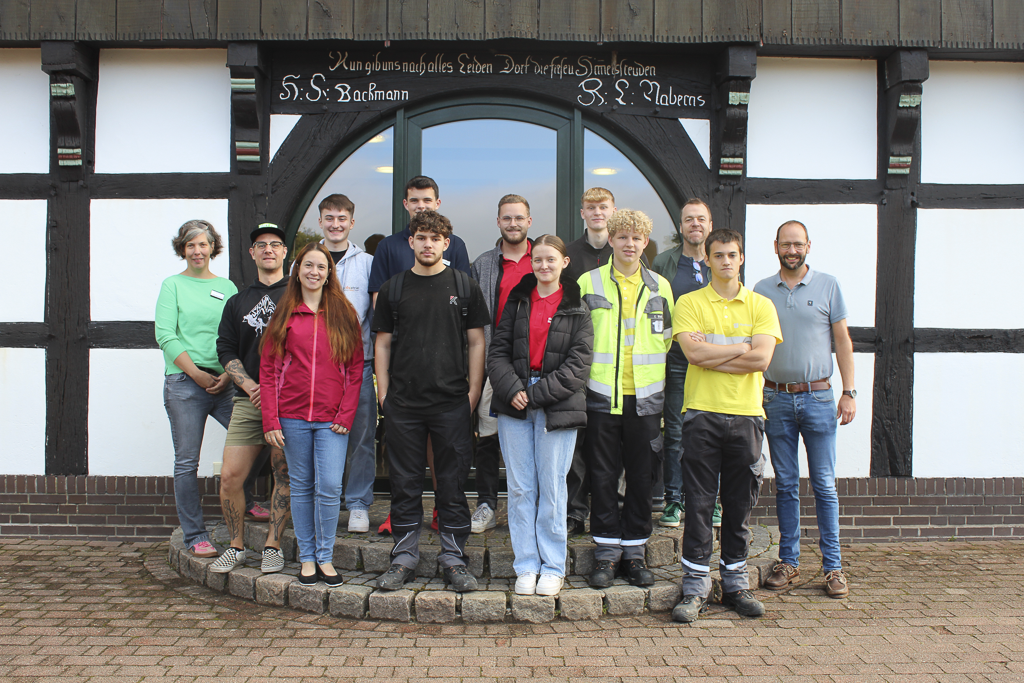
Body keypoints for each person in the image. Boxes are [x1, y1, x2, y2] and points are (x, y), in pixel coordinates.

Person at [371, 210, 490, 593]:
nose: (427, 244)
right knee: (404, 482)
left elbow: (476, 342)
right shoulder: (393, 288)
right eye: (421, 237)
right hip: (403, 403)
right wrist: (384, 393)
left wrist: (473, 393)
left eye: (435, 238)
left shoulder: (464, 285)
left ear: (446, 243)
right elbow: (383, 343)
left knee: (452, 484)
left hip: (451, 401)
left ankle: (453, 560)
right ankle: (404, 558)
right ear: (411, 242)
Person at [671, 228, 782, 623]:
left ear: (741, 259)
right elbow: (693, 354)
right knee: (699, 505)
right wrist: (740, 346)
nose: (725, 261)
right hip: (701, 412)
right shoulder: (689, 302)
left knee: (738, 505)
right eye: (717, 256)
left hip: (748, 415)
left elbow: (762, 361)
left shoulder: (760, 305)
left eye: (731, 255)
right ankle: (695, 588)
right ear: (708, 260)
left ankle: (735, 584)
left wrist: (714, 355)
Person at [753, 220, 855, 599]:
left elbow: (842, 341)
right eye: (786, 244)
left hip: (819, 398)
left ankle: (833, 568)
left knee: (825, 485)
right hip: (775, 398)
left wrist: (851, 392)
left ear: (808, 245)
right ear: (775, 246)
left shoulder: (828, 286)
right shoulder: (761, 290)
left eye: (798, 244)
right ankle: (789, 561)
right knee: (787, 485)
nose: (792, 250)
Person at [488, 234, 593, 596]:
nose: (543, 266)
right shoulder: (517, 301)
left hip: (555, 406)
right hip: (514, 401)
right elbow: (497, 351)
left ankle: (552, 566)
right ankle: (526, 565)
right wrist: (511, 388)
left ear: (564, 263)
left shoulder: (578, 307)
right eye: (538, 260)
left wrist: (532, 394)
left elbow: (577, 368)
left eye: (551, 259)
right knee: (520, 489)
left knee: (551, 488)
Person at [368, 176, 471, 534]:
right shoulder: (389, 254)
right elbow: (382, 325)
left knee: (446, 460)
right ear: (405, 205)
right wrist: (384, 391)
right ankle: (402, 522)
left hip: (446, 380)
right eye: (415, 200)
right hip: (404, 377)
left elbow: (468, 329)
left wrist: (471, 390)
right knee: (405, 463)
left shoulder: (456, 257)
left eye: (428, 199)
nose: (422, 205)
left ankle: (445, 512)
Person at [577, 209, 673, 589]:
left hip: (646, 399)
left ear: (645, 242)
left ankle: (634, 551)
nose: (629, 243)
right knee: (601, 476)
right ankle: (605, 552)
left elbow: (665, 339)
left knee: (641, 476)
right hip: (601, 396)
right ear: (611, 240)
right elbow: (578, 338)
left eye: (636, 238)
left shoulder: (660, 286)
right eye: (622, 237)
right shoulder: (589, 281)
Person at [260, 243, 364, 587]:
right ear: (298, 270)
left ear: (329, 273)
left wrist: (347, 413)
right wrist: (271, 420)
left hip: (332, 418)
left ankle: (326, 556)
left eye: (322, 267)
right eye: (308, 266)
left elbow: (354, 370)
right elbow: (270, 369)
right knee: (302, 487)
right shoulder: (285, 313)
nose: (315, 272)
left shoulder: (344, 313)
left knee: (331, 486)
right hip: (292, 416)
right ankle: (307, 558)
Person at [209, 224, 292, 575]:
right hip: (249, 401)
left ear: (285, 252)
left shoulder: (299, 295)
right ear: (252, 253)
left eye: (275, 244)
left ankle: (273, 545)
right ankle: (236, 546)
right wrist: (248, 385)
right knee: (230, 477)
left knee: (283, 475)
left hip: (289, 402)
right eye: (261, 245)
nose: (268, 250)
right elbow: (225, 348)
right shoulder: (237, 301)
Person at [155, 220, 237, 558]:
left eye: (203, 244)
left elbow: (236, 336)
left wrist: (229, 377)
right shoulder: (172, 285)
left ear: (213, 247)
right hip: (185, 384)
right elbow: (165, 335)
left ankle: (244, 502)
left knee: (260, 437)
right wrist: (197, 374)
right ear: (182, 249)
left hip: (225, 382)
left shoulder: (227, 287)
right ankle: (195, 535)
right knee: (187, 462)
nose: (198, 251)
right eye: (191, 245)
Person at [468, 194, 535, 533]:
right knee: (489, 437)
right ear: (498, 222)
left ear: (529, 222)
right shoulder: (482, 264)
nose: (513, 223)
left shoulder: (543, 259)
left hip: (536, 365)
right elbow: (472, 321)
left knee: (533, 436)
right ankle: (486, 505)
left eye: (518, 218)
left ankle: (530, 507)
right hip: (495, 362)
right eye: (506, 218)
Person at [316, 194, 377, 534]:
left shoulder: (367, 263)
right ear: (321, 221)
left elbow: (374, 315)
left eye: (342, 218)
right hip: (317, 369)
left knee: (361, 437)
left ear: (352, 223)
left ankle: (357, 504)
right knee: (319, 435)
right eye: (329, 218)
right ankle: (324, 500)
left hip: (359, 366)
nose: (335, 224)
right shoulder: (305, 262)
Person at [650, 200, 712, 529]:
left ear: (710, 224)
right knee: (674, 431)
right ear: (681, 226)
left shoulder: (720, 260)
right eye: (689, 220)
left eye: (701, 219)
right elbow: (654, 311)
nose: (695, 225)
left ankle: (707, 500)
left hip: (714, 362)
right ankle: (674, 500)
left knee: (709, 431)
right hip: (676, 360)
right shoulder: (663, 263)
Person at [562, 187, 617, 535]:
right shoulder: (568, 254)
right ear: (582, 212)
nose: (597, 212)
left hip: (617, 369)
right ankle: (575, 512)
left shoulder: (627, 250)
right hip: (578, 367)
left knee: (613, 446)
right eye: (591, 207)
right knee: (577, 445)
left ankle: (611, 508)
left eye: (603, 207)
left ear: (613, 211)